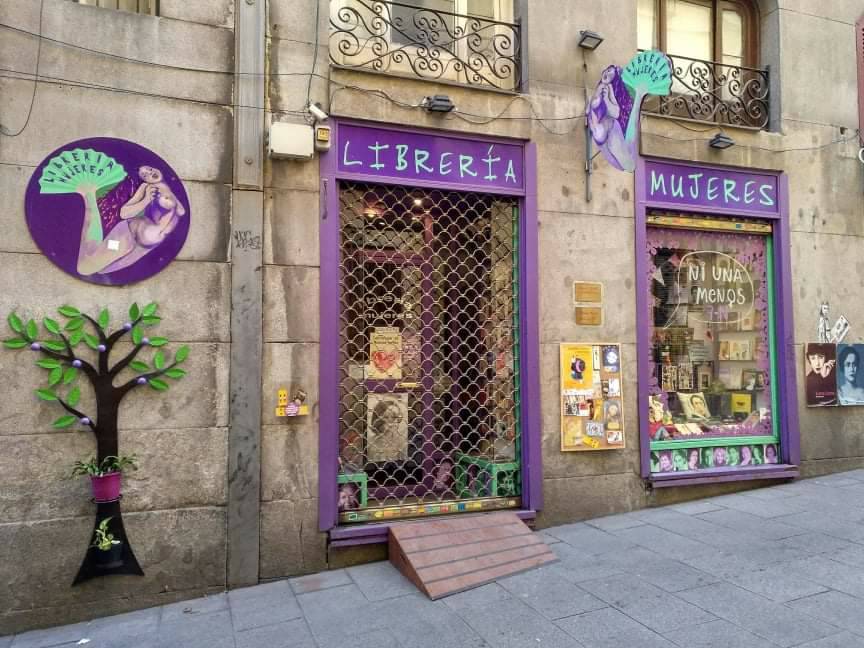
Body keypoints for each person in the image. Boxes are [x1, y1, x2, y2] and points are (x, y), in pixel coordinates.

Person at [75, 165, 187, 276]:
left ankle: (94, 241)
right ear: (144, 180)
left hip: (143, 247)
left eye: (150, 169)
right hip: (127, 236)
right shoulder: (146, 188)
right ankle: (89, 197)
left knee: (103, 270)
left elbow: (181, 212)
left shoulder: (170, 191)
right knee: (85, 268)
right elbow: (124, 213)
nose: (150, 173)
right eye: (145, 175)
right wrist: (146, 200)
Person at [368, 398, 407, 463]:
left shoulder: (402, 443)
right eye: (386, 417)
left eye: (394, 417)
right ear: (378, 420)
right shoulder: (371, 444)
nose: (391, 421)